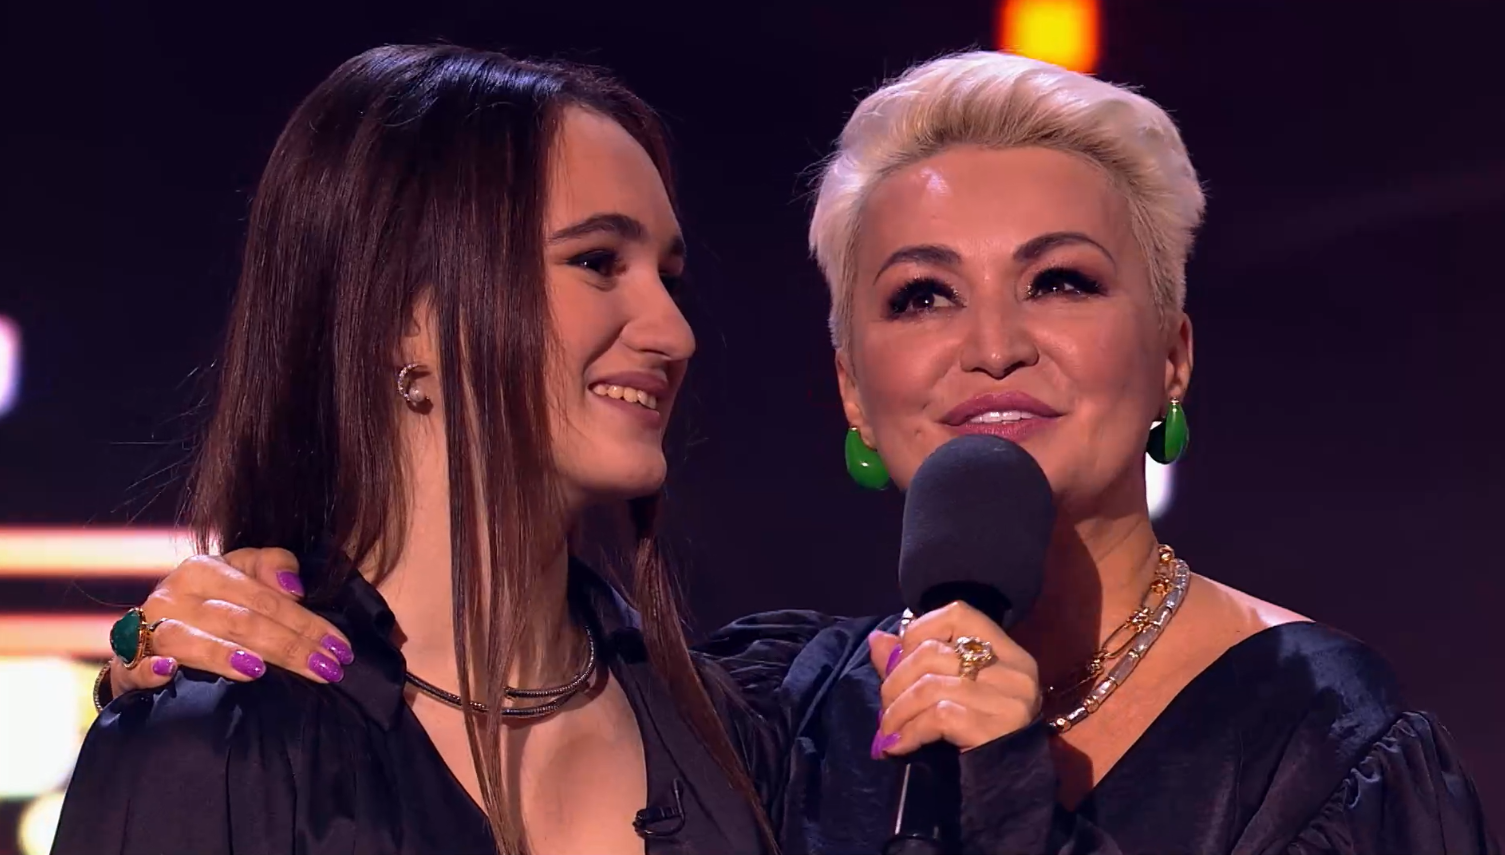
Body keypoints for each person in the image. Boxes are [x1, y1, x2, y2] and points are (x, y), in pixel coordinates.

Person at [94, 52, 1496, 853]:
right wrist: (192, 649)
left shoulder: (1329, 746)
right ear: (849, 387)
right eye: (920, 296)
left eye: (1061, 281)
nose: (990, 345)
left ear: (1172, 355)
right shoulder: (782, 716)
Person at [52, 44, 773, 855]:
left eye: (668, 277)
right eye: (597, 262)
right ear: (403, 315)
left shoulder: (744, 737)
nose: (674, 332)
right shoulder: (217, 750)